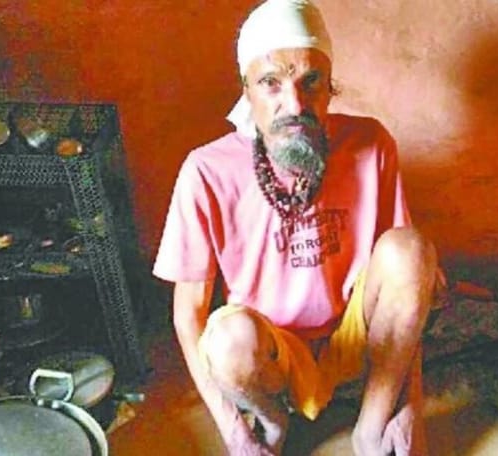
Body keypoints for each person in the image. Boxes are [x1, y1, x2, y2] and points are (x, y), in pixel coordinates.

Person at [153, 0, 440, 454]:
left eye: (311, 82)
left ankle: (370, 427)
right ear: (246, 90)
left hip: (352, 335)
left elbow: (410, 291)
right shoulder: (205, 171)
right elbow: (188, 315)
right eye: (271, 83)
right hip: (272, 353)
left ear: (330, 86)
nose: (295, 104)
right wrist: (236, 435)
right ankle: (272, 418)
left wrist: (409, 409)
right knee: (228, 340)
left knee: (413, 249)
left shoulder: (371, 144)